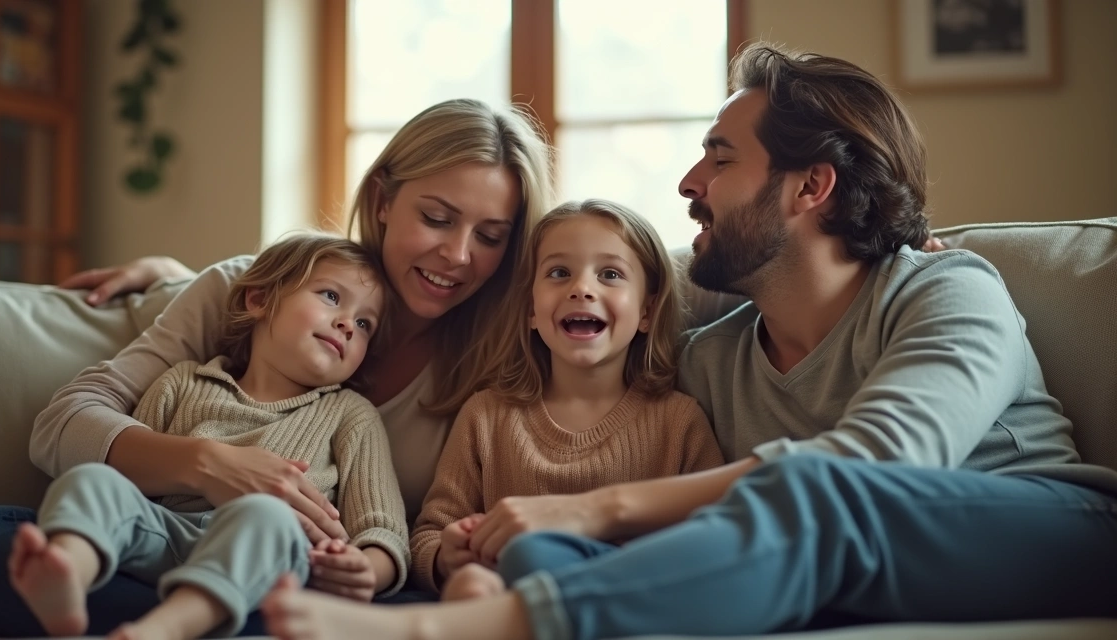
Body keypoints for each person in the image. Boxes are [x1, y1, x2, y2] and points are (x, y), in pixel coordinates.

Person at [251, 42, 1117, 640]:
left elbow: (882, 463)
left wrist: (594, 504)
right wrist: (209, 273)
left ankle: (473, 630)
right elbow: (613, 275)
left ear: (810, 186)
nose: (688, 183)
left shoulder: (948, 289)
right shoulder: (713, 350)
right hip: (846, 564)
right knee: (548, 549)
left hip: (1049, 531)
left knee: (818, 486)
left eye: (718, 158)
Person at [0, 98, 554, 637]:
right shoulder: (242, 293)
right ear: (383, 200)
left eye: (492, 236)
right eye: (438, 218)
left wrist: (373, 569)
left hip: (296, 570)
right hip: (168, 546)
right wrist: (211, 465)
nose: (459, 254)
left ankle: (211, 620)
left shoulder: (499, 364)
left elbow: (410, 541)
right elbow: (64, 426)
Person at [6, 234, 409, 640]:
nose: (347, 324)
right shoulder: (182, 381)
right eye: (330, 297)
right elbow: (131, 483)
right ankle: (66, 578)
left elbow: (384, 528)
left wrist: (365, 571)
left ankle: (163, 630)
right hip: (164, 536)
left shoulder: (352, 415)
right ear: (259, 300)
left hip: (265, 559)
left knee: (267, 515)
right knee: (92, 478)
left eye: (364, 324)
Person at [410, 200, 724, 598]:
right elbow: (430, 534)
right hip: (509, 596)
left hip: (629, 596)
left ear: (647, 310)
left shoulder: (680, 422)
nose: (581, 289)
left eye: (610, 274)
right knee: (475, 583)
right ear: (530, 308)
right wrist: (446, 556)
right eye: (559, 273)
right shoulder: (486, 416)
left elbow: (717, 530)